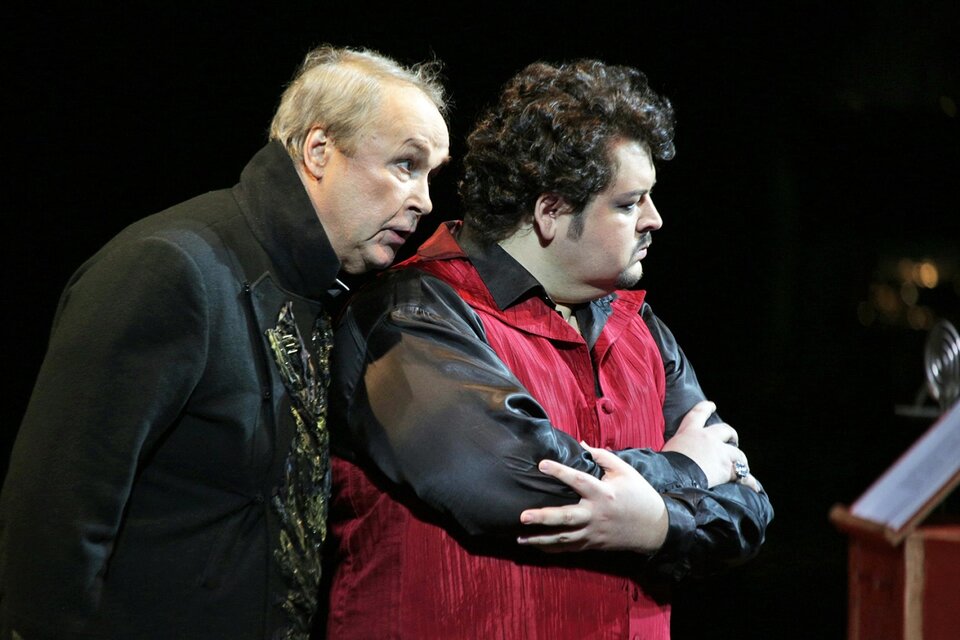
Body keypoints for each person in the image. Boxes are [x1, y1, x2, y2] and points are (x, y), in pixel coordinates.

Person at [0, 44, 449, 640]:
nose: (425, 201)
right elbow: (54, 515)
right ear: (319, 150)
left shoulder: (317, 291)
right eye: (405, 164)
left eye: (430, 174)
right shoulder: (169, 269)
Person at [325, 58, 773, 639]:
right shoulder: (412, 312)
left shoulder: (639, 327)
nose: (655, 220)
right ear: (551, 212)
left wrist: (657, 524)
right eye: (629, 203)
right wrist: (686, 469)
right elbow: (521, 481)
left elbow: (746, 502)